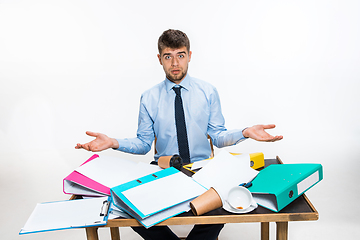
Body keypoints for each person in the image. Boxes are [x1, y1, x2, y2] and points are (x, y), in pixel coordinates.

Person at [76, 29, 283, 240]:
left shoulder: (208, 92)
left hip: (203, 170)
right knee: (129, 208)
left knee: (221, 207)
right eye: (168, 56)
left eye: (180, 55)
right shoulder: (149, 98)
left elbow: (218, 136)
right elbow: (144, 143)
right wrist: (113, 142)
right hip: (164, 170)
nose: (175, 63)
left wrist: (245, 132)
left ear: (189, 56)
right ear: (160, 59)